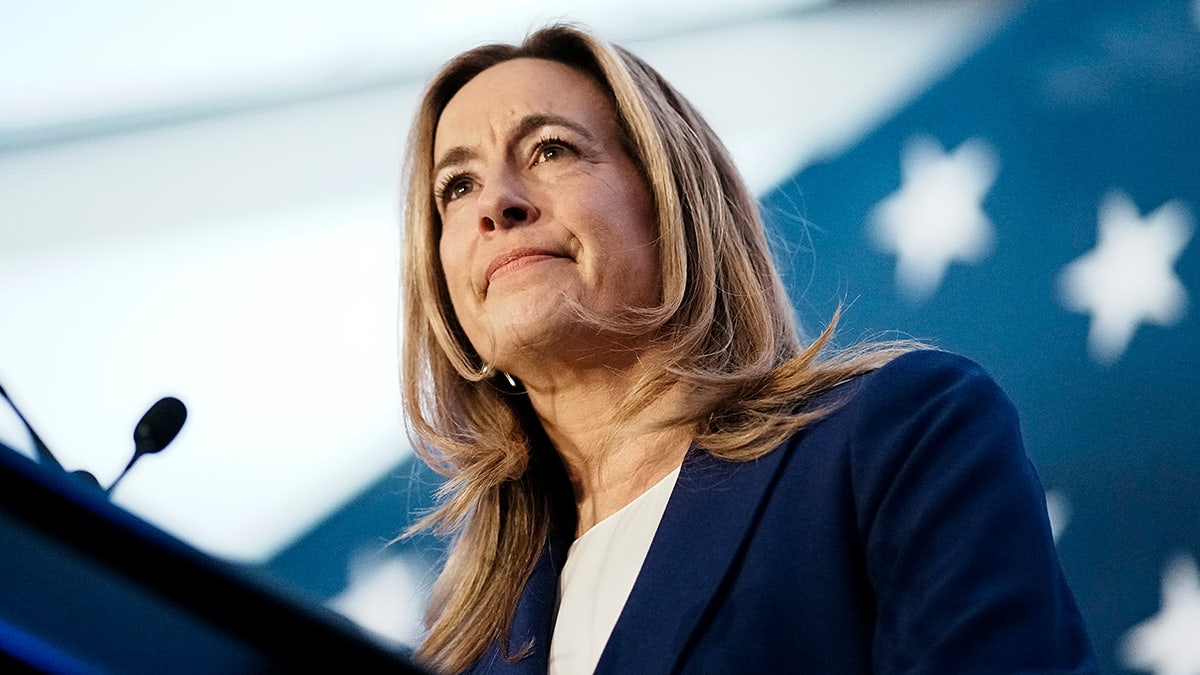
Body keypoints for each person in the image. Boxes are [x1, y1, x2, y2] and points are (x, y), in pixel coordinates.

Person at [399, 23, 1095, 675]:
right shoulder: (460, 643)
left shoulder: (898, 434)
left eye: (552, 149)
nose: (498, 203)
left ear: (674, 205)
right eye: (456, 187)